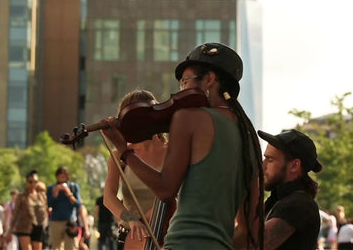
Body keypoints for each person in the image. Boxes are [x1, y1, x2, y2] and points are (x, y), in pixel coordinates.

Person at [101, 42, 264, 249]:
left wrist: (123, 150)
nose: (181, 91)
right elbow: (252, 225)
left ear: (209, 80)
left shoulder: (189, 118)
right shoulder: (248, 135)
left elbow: (165, 190)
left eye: (185, 82)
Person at [236, 129, 322, 250]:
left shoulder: (299, 204)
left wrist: (247, 183)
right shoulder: (277, 201)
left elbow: (251, 246)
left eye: (270, 160)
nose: (262, 164)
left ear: (294, 166)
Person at [103, 90, 168, 246]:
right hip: (134, 237)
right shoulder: (119, 155)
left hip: (170, 234)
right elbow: (108, 197)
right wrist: (131, 221)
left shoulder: (174, 151)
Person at [4, 169, 48, 250]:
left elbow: (45, 211)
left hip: (38, 226)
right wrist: (10, 231)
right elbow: (15, 214)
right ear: (27, 182)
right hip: (24, 227)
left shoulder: (42, 196)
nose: (33, 184)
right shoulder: (21, 197)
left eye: (35, 182)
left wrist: (45, 224)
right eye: (31, 182)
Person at [47, 166, 81, 250]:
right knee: (56, 247)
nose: (62, 179)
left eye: (64, 176)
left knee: (71, 247)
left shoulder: (73, 187)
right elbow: (49, 204)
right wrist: (55, 193)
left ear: (67, 177)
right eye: (60, 176)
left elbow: (78, 204)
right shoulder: (51, 188)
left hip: (70, 221)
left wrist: (69, 194)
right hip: (55, 221)